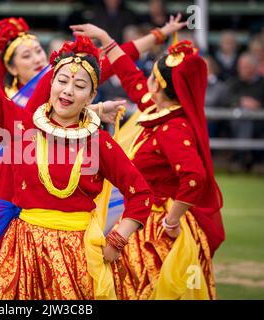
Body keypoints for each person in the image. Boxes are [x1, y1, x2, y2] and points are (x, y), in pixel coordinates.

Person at [0, 14, 154, 300]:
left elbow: (141, 193)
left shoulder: (98, 142)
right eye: (62, 81)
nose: (67, 91)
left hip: (75, 256)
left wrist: (117, 238)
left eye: (79, 86)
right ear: (50, 85)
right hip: (20, 254)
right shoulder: (23, 127)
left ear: (90, 98)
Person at [71, 22, 225, 299]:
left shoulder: (173, 127)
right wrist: (107, 38)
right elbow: (130, 76)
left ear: (163, 85)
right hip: (141, 215)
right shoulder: (158, 109)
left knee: (142, 288)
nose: (146, 81)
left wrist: (173, 221)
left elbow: (194, 177)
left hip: (155, 225)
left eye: (152, 77)